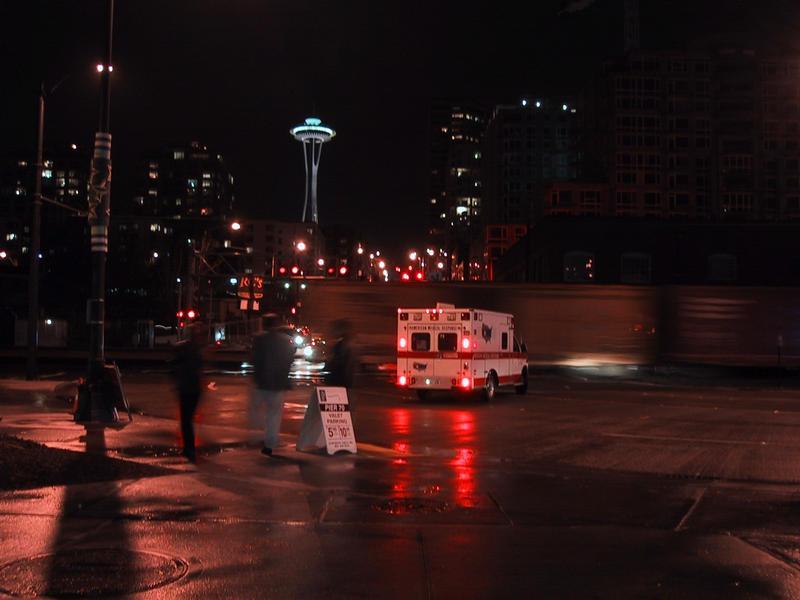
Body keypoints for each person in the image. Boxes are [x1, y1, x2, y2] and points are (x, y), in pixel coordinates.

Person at [251, 313, 295, 456]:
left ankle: (259, 436)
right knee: (274, 414)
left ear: (264, 324)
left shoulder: (258, 339)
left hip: (262, 381)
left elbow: (254, 359)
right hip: (278, 382)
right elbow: (289, 360)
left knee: (256, 410)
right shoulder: (285, 340)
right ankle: (269, 442)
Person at [172, 322, 205, 462]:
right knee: (188, 419)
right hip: (195, 388)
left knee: (185, 420)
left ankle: (189, 449)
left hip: (186, 388)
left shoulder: (183, 348)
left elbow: (176, 366)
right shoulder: (198, 350)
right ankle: (189, 448)